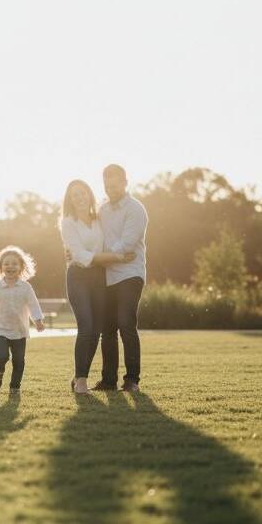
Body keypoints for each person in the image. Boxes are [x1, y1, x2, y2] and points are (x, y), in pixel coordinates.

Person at [60, 180, 135, 394]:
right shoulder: (68, 222)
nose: (80, 198)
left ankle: (77, 375)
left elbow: (107, 241)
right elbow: (80, 256)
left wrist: (112, 256)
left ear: (90, 195)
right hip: (78, 277)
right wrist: (118, 257)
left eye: (83, 193)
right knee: (85, 326)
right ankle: (82, 380)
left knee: (96, 330)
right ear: (70, 200)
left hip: (99, 277)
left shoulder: (99, 219)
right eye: (75, 195)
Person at [92, 164, 148, 393]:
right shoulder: (102, 210)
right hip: (108, 275)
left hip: (131, 273)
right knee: (108, 329)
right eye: (106, 185)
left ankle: (132, 380)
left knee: (126, 323)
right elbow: (99, 241)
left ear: (125, 182)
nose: (110, 189)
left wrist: (99, 258)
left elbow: (126, 245)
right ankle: (108, 381)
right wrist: (101, 258)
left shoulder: (136, 209)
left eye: (114, 185)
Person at [0, 245, 45, 391]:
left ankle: (15, 387)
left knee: (19, 361)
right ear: (1, 267)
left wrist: (38, 321)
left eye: (14, 264)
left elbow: (33, 305)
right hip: (0, 328)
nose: (10, 266)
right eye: (6, 263)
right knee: (2, 355)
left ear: (21, 267)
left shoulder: (26, 287)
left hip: (19, 330)